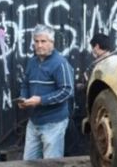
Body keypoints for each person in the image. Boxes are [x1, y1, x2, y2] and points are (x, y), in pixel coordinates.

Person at [19, 24, 75, 160]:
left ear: (52, 42)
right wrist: (23, 98)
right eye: (36, 41)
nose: (39, 45)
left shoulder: (60, 63)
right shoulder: (32, 62)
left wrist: (41, 100)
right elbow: (26, 84)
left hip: (53, 123)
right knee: (28, 164)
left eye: (43, 41)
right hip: (34, 122)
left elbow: (67, 91)